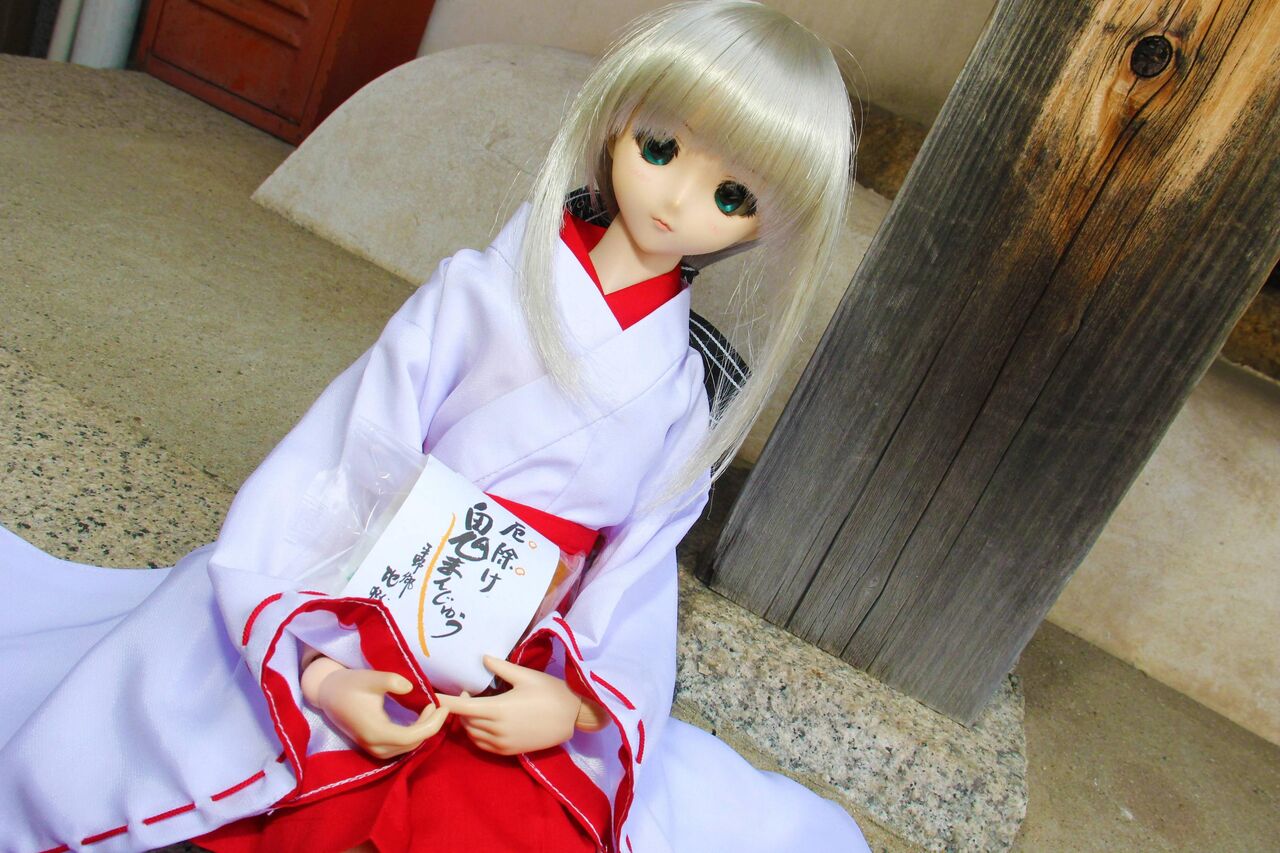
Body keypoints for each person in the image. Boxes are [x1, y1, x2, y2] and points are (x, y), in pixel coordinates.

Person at [0, 2, 869, 851]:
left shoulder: (679, 392)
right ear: (617, 121)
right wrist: (321, 667)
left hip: (519, 648)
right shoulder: (479, 292)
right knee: (298, 767)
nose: (677, 198)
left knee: (495, 818)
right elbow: (347, 452)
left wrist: (573, 704)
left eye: (730, 193)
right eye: (660, 147)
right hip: (376, 585)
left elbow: (636, 572)